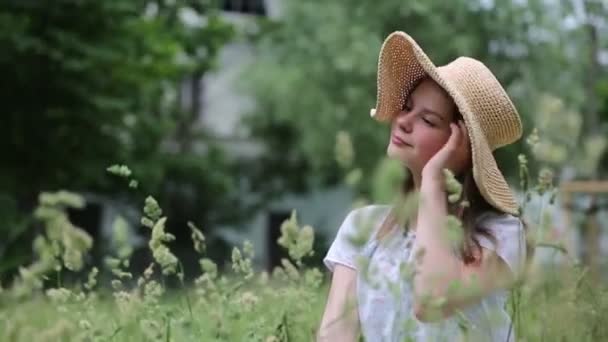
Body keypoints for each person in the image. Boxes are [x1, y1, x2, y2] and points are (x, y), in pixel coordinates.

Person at [317, 31, 532, 342]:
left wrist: (433, 180)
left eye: (428, 121)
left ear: (461, 147)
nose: (403, 121)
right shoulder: (364, 227)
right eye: (406, 107)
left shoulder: (500, 234)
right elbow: (335, 335)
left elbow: (431, 301)